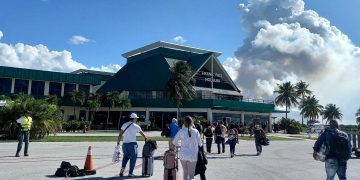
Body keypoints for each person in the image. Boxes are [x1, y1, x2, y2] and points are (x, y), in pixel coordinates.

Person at [117, 113, 147, 177]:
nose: (136, 119)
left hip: (125, 144)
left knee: (125, 157)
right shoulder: (136, 126)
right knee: (133, 159)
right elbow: (142, 134)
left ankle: (122, 170)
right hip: (132, 144)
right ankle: (130, 173)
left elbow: (120, 134)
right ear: (133, 118)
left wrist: (118, 142)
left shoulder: (124, 125)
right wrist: (146, 138)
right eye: (136, 118)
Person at [173, 116, 202, 180]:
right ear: (192, 123)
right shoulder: (196, 131)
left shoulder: (181, 131)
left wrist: (179, 145)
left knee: (185, 172)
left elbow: (174, 142)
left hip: (183, 154)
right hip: (193, 155)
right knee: (191, 175)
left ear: (184, 123)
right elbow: (200, 144)